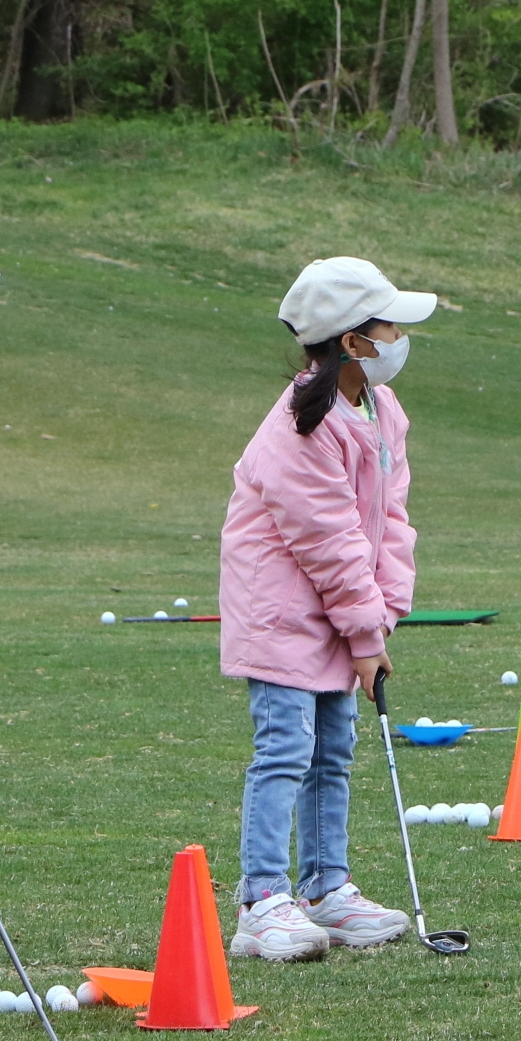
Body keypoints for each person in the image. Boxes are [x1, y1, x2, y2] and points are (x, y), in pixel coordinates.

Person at [218, 256, 428, 961]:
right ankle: (261, 900)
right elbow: (329, 538)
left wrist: (382, 615)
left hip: (339, 608)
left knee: (333, 749)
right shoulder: (301, 425)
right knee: (286, 748)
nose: (400, 337)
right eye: (388, 326)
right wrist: (364, 632)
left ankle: (325, 888)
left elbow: (391, 520)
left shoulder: (381, 410)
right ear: (352, 341)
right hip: (280, 608)